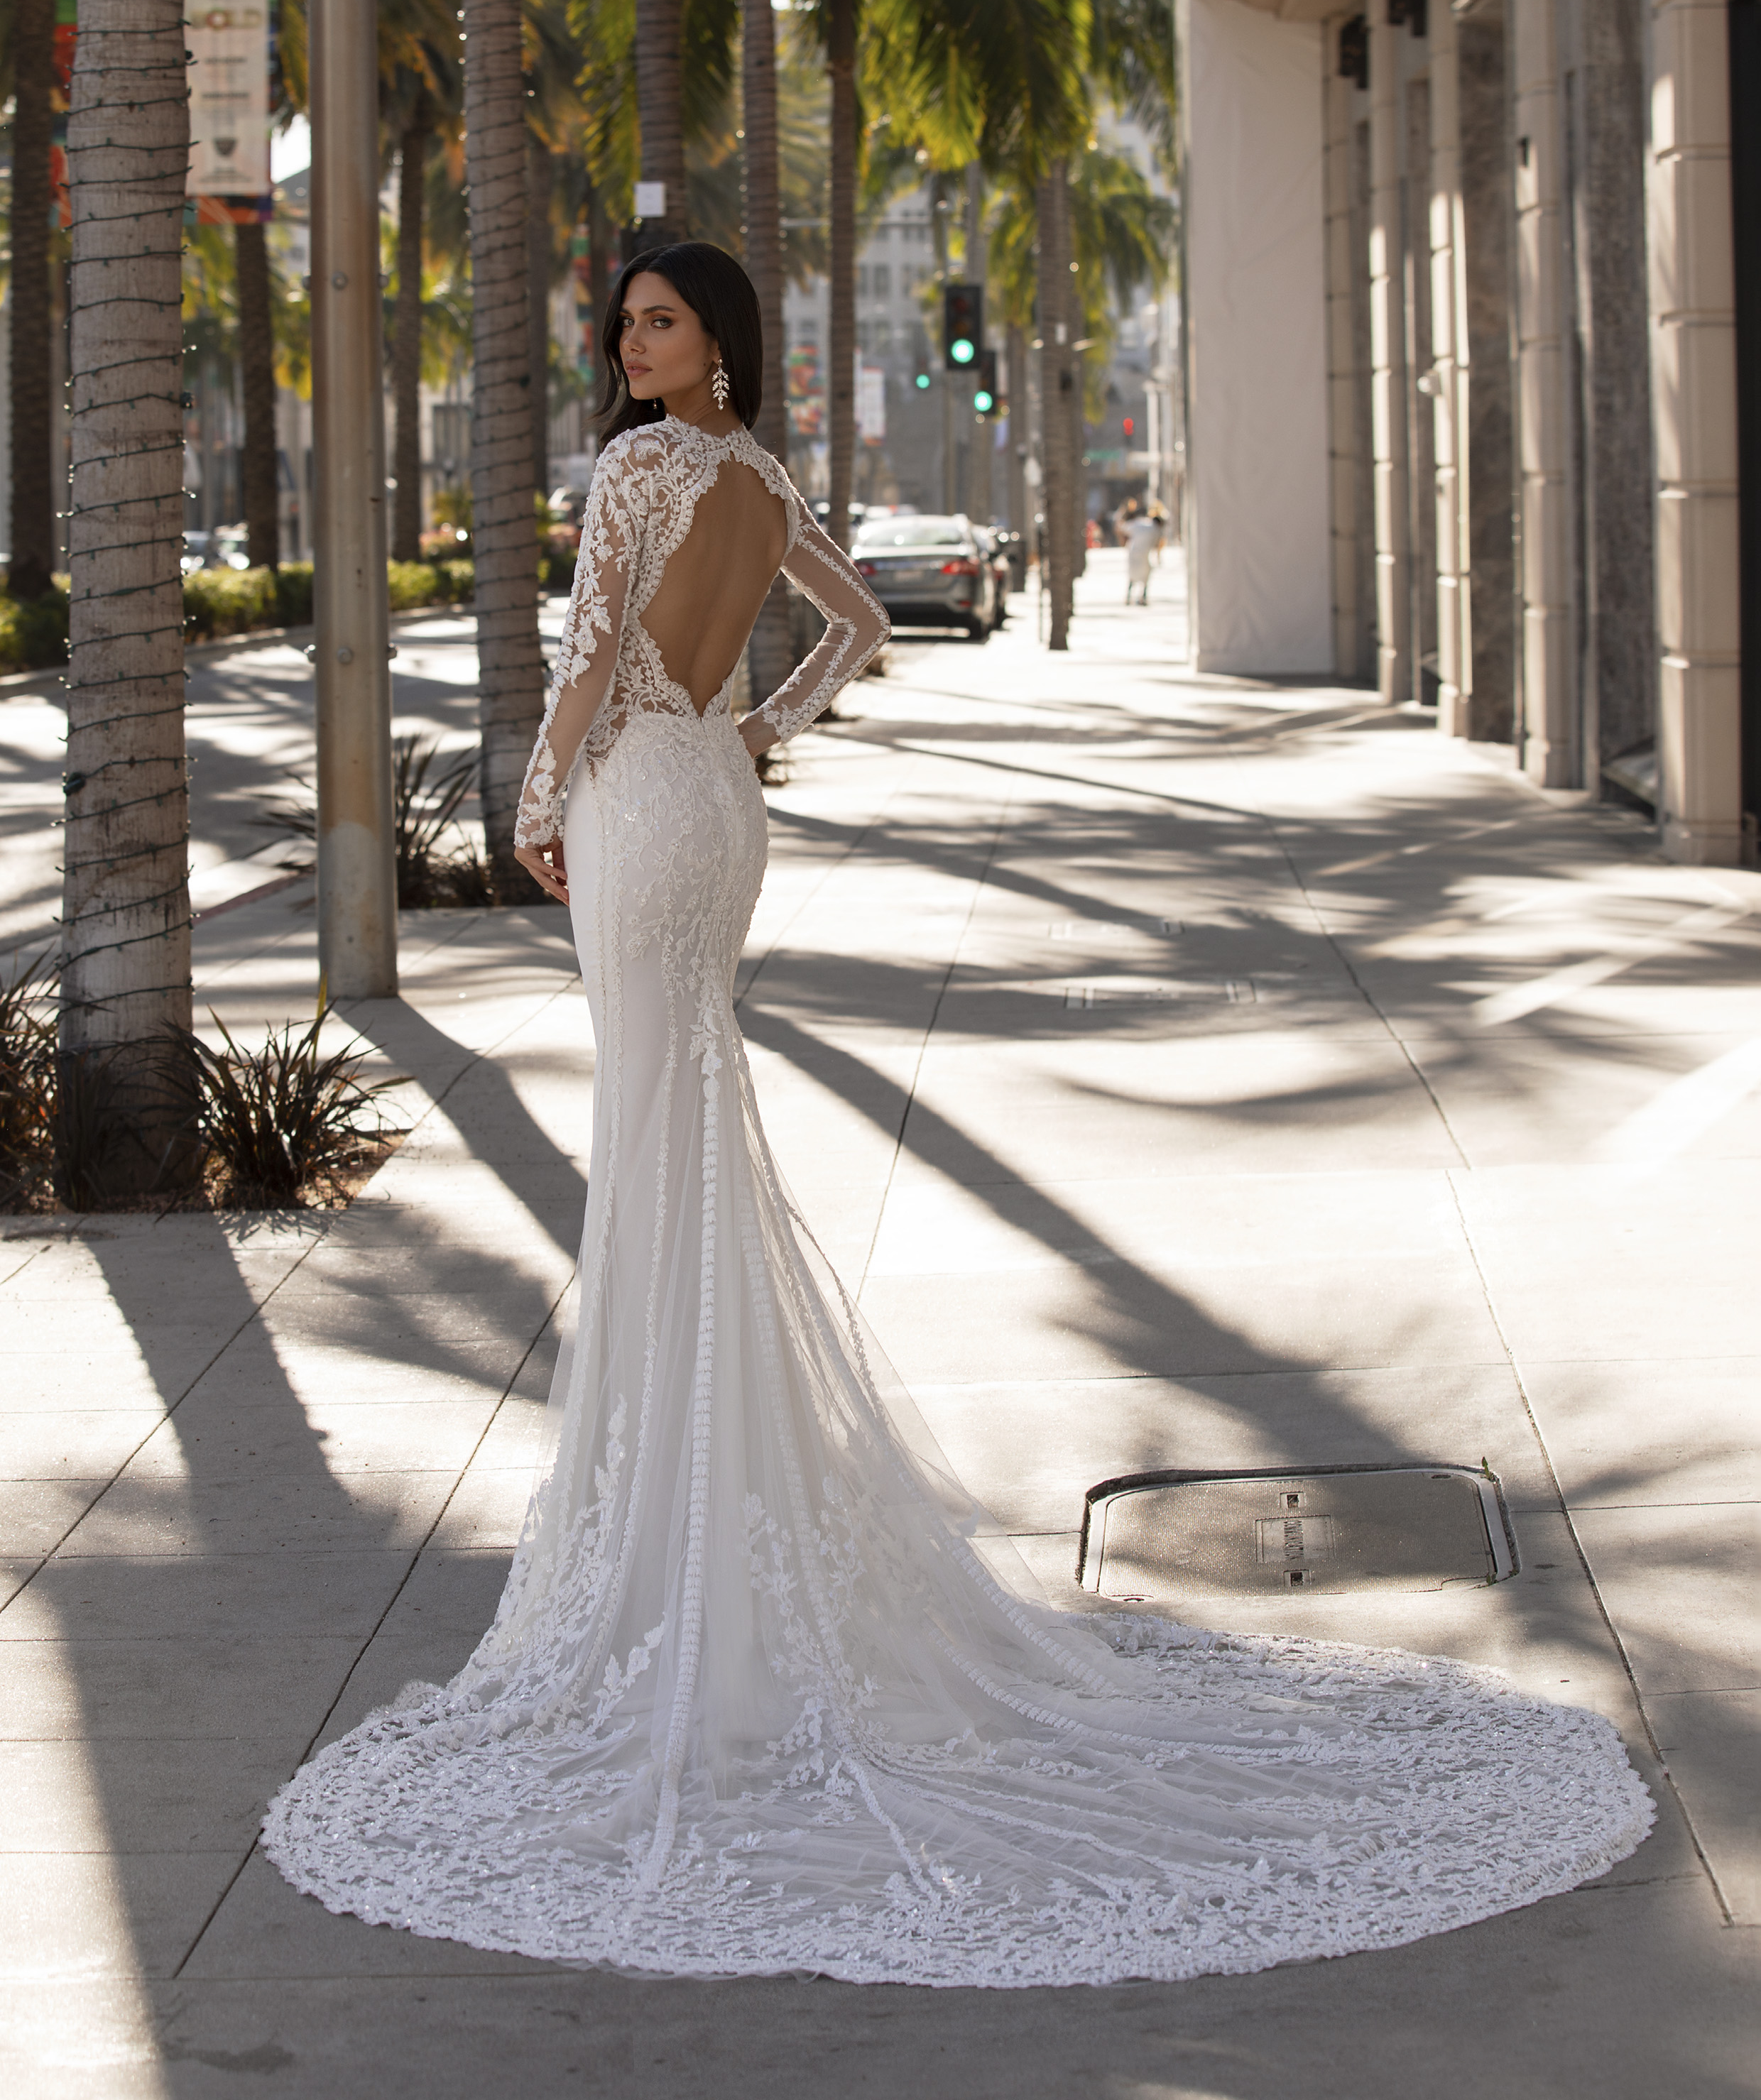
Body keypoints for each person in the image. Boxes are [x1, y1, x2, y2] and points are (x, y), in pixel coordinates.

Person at [263, 241, 1650, 1986]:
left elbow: (601, 641)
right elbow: (847, 630)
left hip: (636, 799)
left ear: (717, 344)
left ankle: (670, 1515)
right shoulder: (761, 476)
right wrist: (754, 725)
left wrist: (543, 797)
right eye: (623, 321)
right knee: (693, 1121)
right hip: (715, 801)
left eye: (661, 320)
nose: (631, 343)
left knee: (661, 1134)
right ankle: (701, 1478)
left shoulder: (638, 468)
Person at [1125, 501, 1158, 605]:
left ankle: (1129, 597)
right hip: (1143, 554)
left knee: (1132, 575)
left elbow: (1124, 528)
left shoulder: (1139, 524)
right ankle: (1142, 597)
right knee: (1145, 575)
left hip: (1134, 552)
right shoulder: (1155, 529)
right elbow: (1155, 545)